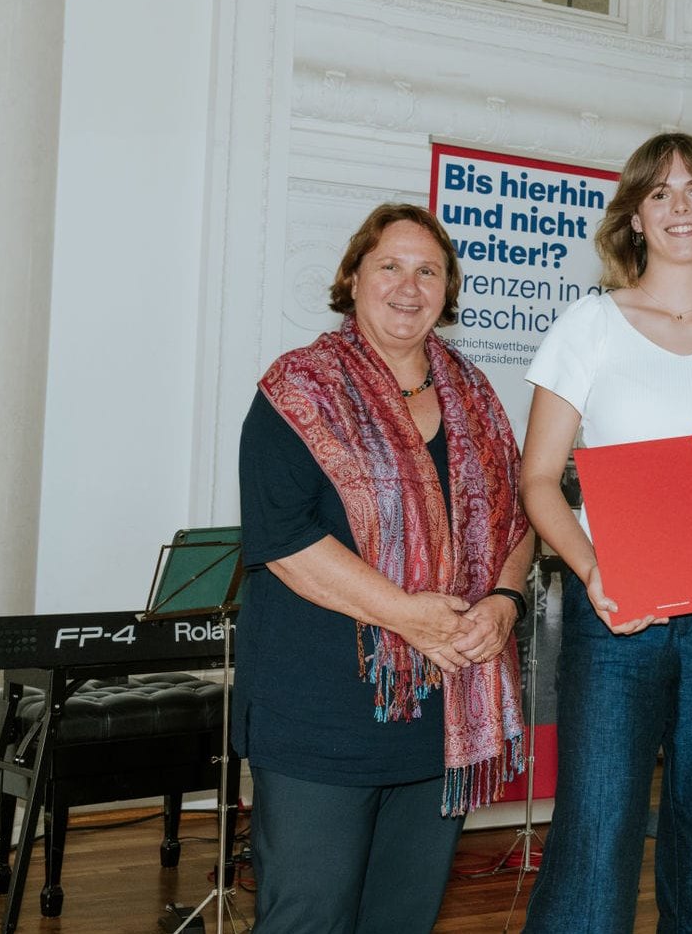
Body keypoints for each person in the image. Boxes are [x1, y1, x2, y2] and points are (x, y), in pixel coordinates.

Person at [518, 132, 692, 934]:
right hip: (618, 616)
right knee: (595, 838)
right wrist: (592, 570)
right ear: (635, 218)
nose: (681, 207)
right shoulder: (590, 326)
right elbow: (537, 480)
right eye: (661, 193)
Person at [235, 203, 533, 934]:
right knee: (308, 918)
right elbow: (284, 540)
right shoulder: (299, 387)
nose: (409, 286)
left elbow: (517, 521)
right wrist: (409, 617)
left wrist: (504, 601)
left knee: (403, 918)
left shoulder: (475, 395)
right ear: (353, 278)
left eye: (428, 270)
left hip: (440, 715)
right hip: (318, 714)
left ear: (448, 289)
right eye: (390, 266)